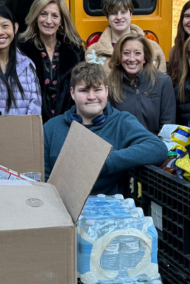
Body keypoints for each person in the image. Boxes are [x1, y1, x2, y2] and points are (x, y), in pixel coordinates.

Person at [44, 62, 168, 195]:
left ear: (106, 91)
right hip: (61, 207)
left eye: (97, 90)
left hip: (110, 210)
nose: (92, 97)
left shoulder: (122, 122)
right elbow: (42, 178)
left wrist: (104, 161)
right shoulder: (51, 128)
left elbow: (158, 148)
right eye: (84, 90)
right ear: (72, 93)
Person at [19, 0, 85, 122]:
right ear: (36, 16)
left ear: (61, 20)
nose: (49, 21)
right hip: (33, 124)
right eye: (43, 14)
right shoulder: (21, 49)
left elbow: (83, 87)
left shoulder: (76, 49)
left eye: (55, 16)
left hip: (69, 122)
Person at [0, 3, 42, 116]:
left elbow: (35, 105)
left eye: (5, 26)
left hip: (22, 132)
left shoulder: (27, 65)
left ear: (15, 28)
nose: (0, 32)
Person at [85, 0, 166, 77]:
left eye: (123, 12)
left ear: (131, 14)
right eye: (113, 13)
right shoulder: (93, 52)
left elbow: (161, 83)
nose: (119, 17)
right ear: (107, 17)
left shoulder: (153, 48)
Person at [107, 34, 176, 135]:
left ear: (145, 57)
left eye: (137, 53)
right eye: (126, 53)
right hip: (125, 147)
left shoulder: (163, 81)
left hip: (156, 146)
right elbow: (111, 126)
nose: (131, 59)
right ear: (119, 56)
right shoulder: (111, 84)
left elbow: (168, 126)